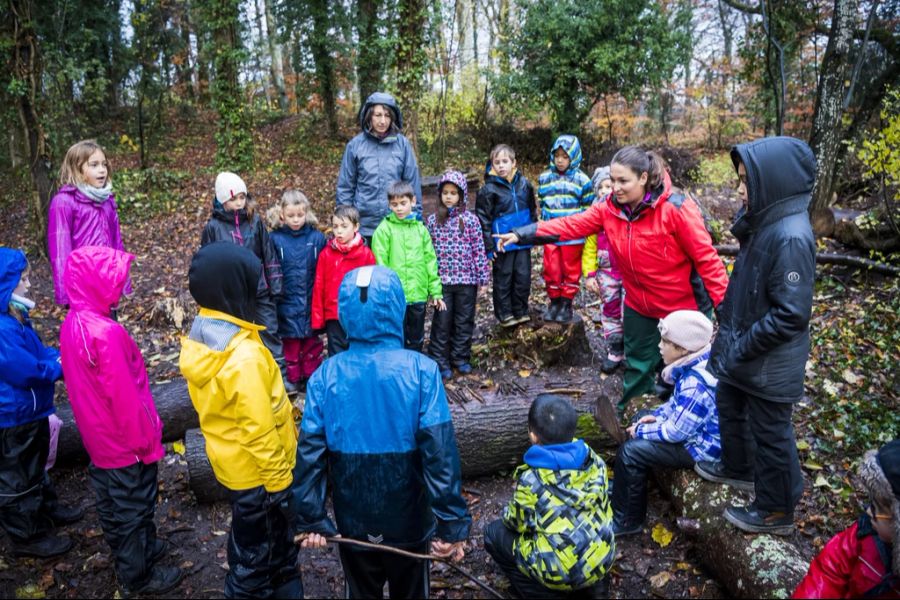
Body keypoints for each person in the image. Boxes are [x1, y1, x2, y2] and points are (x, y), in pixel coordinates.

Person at [495, 146, 728, 410]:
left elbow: (707, 261)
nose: (615, 187)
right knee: (638, 366)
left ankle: (680, 423)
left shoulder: (675, 209)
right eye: (613, 180)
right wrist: (523, 233)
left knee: (680, 372)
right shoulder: (609, 209)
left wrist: (727, 311)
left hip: (682, 307)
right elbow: (572, 225)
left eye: (623, 181)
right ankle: (631, 418)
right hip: (640, 304)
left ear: (643, 178)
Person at [292, 265, 471, 599]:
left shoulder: (325, 374)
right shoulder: (421, 371)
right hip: (407, 518)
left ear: (345, 313)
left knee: (360, 590)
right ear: (396, 307)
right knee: (412, 591)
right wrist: (451, 523)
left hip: (354, 519)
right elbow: (439, 453)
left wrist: (309, 515)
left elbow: (309, 452)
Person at [694, 137, 817, 536]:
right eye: (740, 181)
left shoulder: (792, 237)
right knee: (729, 400)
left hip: (769, 360)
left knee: (770, 433)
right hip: (747, 351)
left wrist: (744, 344)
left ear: (773, 182)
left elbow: (791, 314)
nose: (740, 190)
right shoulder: (764, 223)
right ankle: (738, 467)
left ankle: (775, 508)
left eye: (747, 182)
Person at [180, 242, 302, 599]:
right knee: (253, 563)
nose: (258, 289)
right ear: (233, 288)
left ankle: (281, 580)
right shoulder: (243, 357)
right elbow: (259, 430)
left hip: (238, 468)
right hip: (261, 477)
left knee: (267, 547)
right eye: (252, 282)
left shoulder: (208, 331)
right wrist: (281, 486)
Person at [59, 246, 182, 596]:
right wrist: (147, 439)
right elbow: (126, 397)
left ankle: (139, 550)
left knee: (112, 499)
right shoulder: (106, 333)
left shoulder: (74, 323)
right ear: (95, 283)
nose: (121, 286)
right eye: (114, 280)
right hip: (126, 441)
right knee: (134, 505)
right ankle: (137, 575)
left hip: (98, 438)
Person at [484, 394, 615, 599]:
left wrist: (507, 512)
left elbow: (515, 523)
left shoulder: (533, 479)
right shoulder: (594, 460)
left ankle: (539, 592)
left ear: (534, 436)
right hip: (601, 559)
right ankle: (594, 588)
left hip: (559, 573)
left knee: (493, 533)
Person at [0, 249, 82, 558]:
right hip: (12, 415)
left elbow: (39, 353)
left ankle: (46, 510)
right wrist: (60, 365)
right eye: (24, 279)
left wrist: (55, 357)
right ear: (6, 285)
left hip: (29, 410)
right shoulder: (3, 329)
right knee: (18, 476)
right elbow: (27, 370)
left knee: (34, 466)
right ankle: (26, 537)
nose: (30, 285)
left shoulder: (15, 317)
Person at [611, 310, 720, 536]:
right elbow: (675, 406)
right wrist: (656, 416)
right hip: (693, 432)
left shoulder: (696, 383)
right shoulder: (693, 365)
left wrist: (641, 430)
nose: (659, 346)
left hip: (701, 448)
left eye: (665, 342)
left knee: (630, 452)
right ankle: (628, 488)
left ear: (683, 349)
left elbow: (676, 432)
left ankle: (627, 521)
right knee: (641, 415)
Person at [200, 172, 287, 388]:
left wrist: (275, 284)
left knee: (269, 332)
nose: (239, 202)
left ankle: (280, 378)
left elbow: (268, 253)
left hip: (259, 289)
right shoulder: (213, 228)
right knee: (237, 337)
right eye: (233, 198)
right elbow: (207, 262)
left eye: (242, 197)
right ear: (222, 200)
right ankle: (244, 382)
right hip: (232, 295)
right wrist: (213, 295)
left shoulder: (254, 221)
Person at [792, 440, 899, 598]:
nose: (869, 512)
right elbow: (830, 570)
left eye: (880, 509)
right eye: (872, 503)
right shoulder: (865, 533)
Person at [48, 139, 131, 308]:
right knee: (89, 332)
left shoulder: (107, 200)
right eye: (94, 165)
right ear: (77, 169)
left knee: (109, 330)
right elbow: (60, 252)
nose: (102, 170)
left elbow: (117, 244)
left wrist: (123, 282)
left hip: (107, 284)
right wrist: (66, 296)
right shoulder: (63, 202)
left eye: (104, 165)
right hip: (82, 289)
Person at [426, 170, 490, 380]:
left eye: (453, 193)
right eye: (445, 192)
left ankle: (460, 357)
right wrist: (430, 280)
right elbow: (429, 252)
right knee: (442, 321)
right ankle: (439, 359)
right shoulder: (434, 221)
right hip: (443, 281)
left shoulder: (470, 220)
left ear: (461, 195)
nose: (449, 197)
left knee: (464, 320)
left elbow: (478, 249)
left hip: (467, 281)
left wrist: (483, 278)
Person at [336, 92, 422, 244]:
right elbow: (345, 187)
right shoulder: (355, 146)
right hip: (364, 227)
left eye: (387, 115)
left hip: (396, 223)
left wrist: (416, 219)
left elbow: (412, 184)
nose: (383, 121)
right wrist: (345, 224)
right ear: (369, 116)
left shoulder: (402, 145)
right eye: (378, 115)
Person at [372, 181, 445, 352]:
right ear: (389, 205)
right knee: (395, 335)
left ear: (412, 201)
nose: (399, 208)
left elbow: (430, 261)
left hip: (418, 294)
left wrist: (435, 290)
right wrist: (385, 293)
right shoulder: (384, 230)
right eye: (394, 204)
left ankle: (413, 368)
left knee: (416, 336)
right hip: (395, 297)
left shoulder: (421, 230)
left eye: (403, 203)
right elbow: (380, 264)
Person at [268, 190, 327, 389]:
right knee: (290, 345)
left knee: (311, 343)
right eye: (291, 215)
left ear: (306, 213)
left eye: (300, 215)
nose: (296, 220)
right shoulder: (274, 239)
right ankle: (292, 379)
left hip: (311, 300)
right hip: (286, 302)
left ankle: (312, 377)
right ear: (282, 214)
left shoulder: (317, 238)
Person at [475, 144, 537, 327]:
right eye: (497, 162)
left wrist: (533, 234)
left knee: (523, 277)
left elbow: (533, 210)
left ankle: (521, 310)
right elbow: (483, 219)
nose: (501, 166)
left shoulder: (525, 184)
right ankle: (505, 313)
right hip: (501, 242)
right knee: (504, 278)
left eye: (505, 161)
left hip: (523, 240)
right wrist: (488, 246)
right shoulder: (488, 190)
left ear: (513, 163)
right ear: (492, 165)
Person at [537, 135, 595, 323]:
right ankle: (554, 302)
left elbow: (588, 207)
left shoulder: (582, 180)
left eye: (565, 156)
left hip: (573, 235)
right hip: (550, 234)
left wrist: (583, 229)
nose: (560, 160)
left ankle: (566, 304)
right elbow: (542, 201)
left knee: (570, 269)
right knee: (551, 268)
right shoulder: (545, 178)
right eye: (557, 156)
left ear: (574, 157)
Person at [310, 206, 376, 356]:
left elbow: (372, 288)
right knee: (337, 353)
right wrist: (318, 319)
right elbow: (319, 286)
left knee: (358, 350)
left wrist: (370, 314)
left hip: (358, 314)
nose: (339, 231)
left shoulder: (366, 255)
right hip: (333, 314)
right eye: (335, 226)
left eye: (344, 226)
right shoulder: (326, 254)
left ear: (356, 227)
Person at [583, 167, 624, 373]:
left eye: (609, 186)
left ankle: (634, 350)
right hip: (606, 272)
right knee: (610, 309)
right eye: (601, 187)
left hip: (627, 271)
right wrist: (590, 274)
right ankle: (615, 349)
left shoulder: (626, 209)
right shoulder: (594, 215)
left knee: (631, 311)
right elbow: (589, 248)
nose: (605, 191)